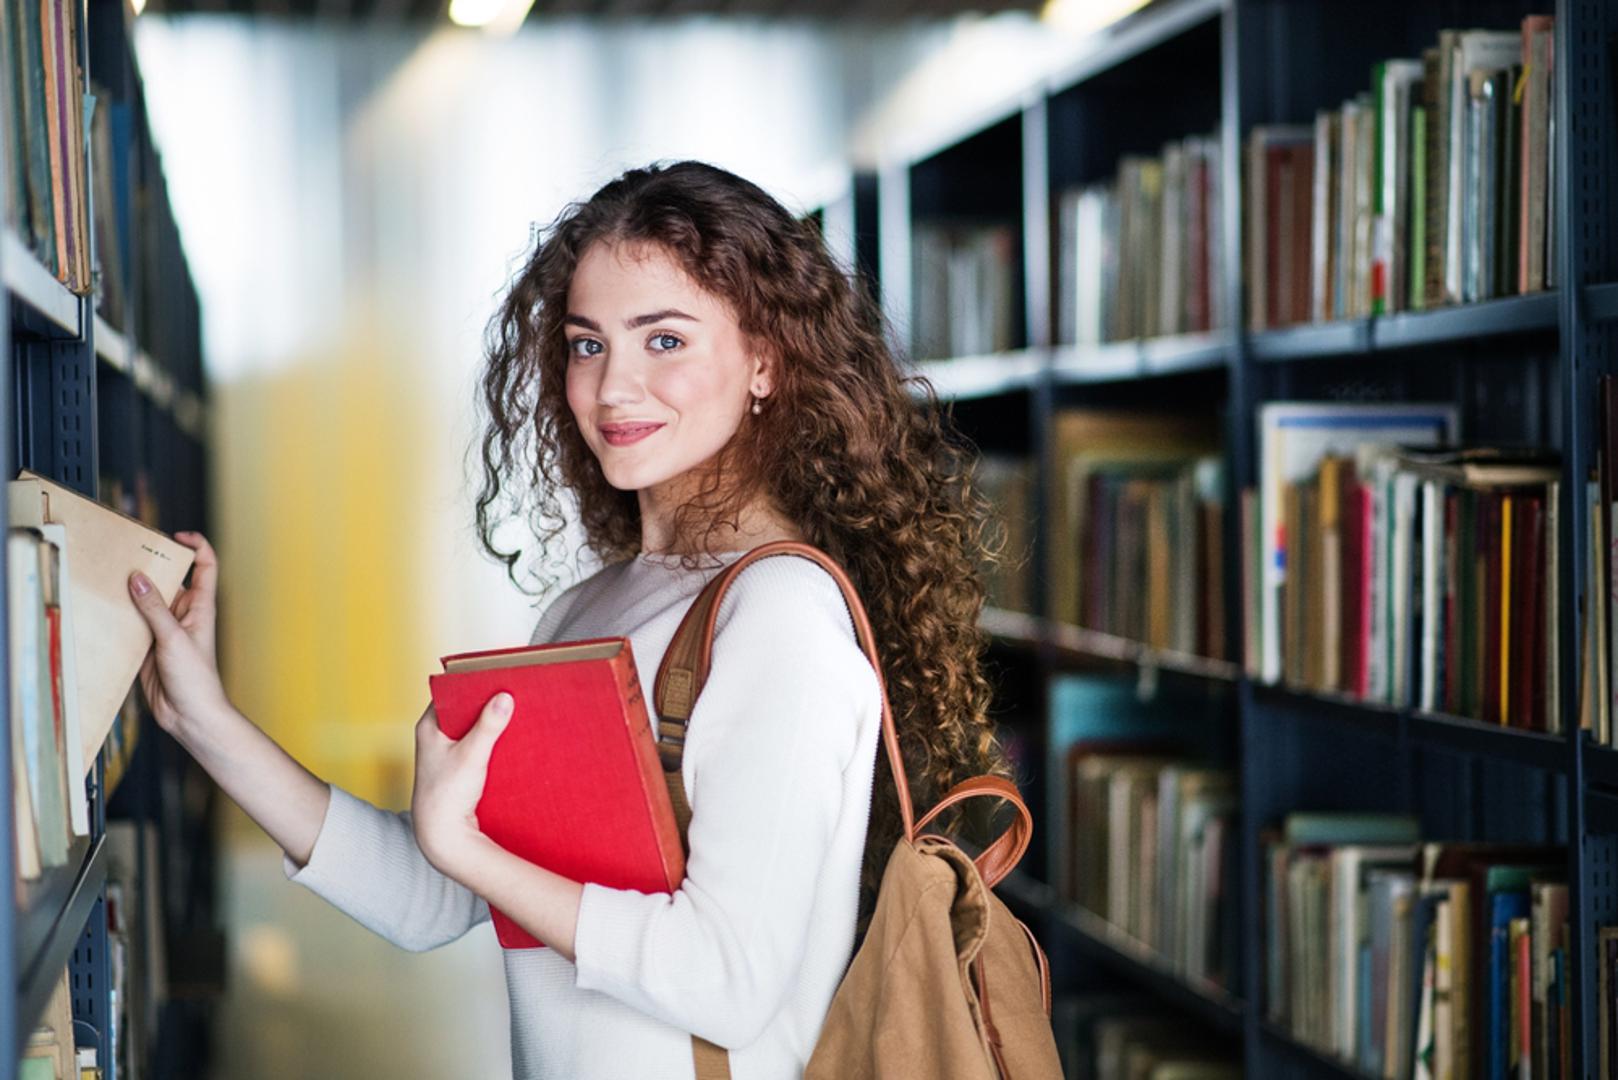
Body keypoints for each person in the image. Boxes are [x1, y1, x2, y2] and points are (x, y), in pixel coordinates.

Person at [127, 160, 1010, 1080]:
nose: (615, 388)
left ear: (765, 361)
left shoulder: (780, 615)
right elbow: (434, 898)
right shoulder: (590, 609)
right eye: (589, 345)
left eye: (663, 341)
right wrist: (205, 720)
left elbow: (728, 981)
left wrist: (463, 846)